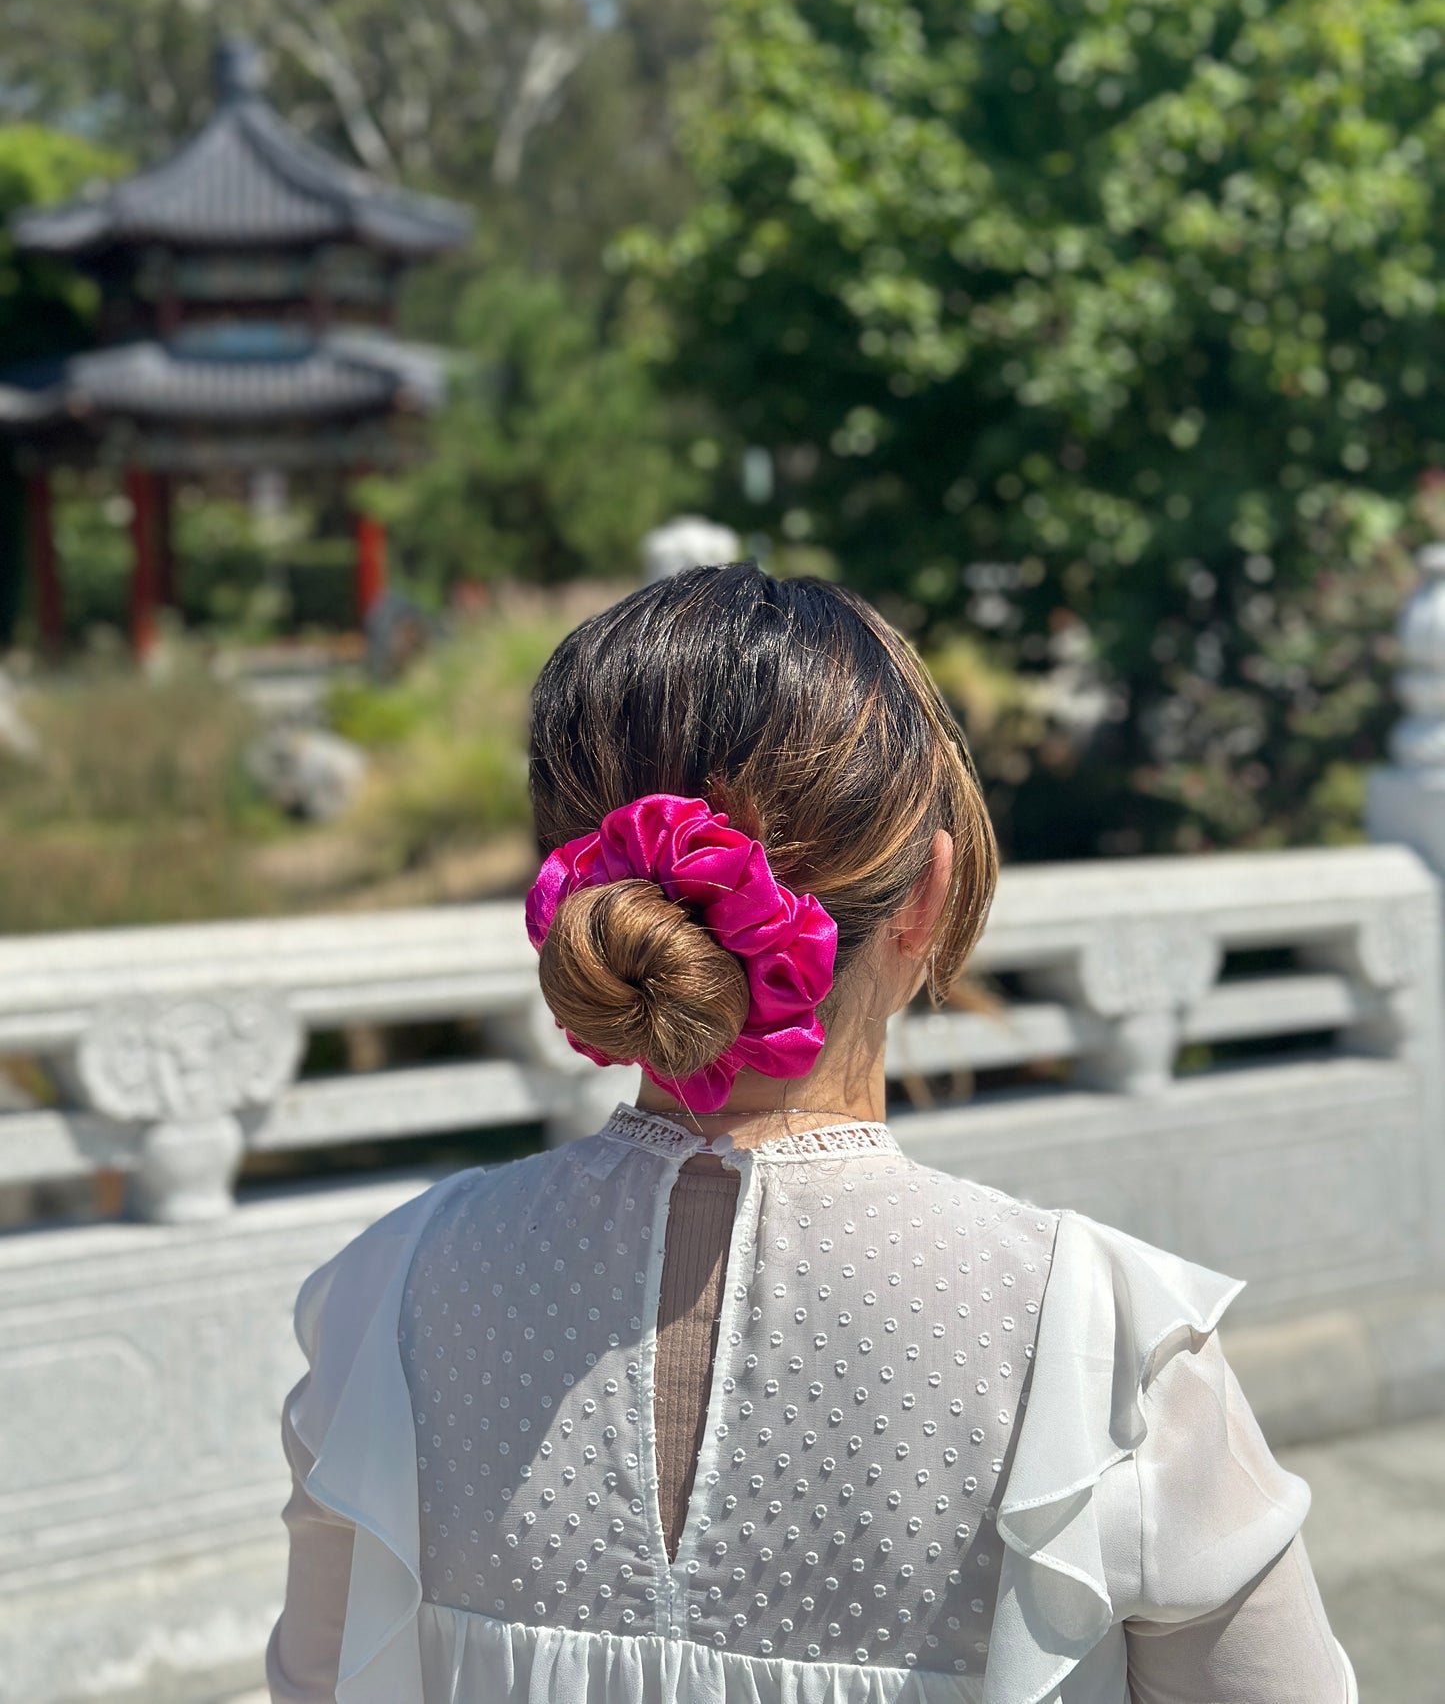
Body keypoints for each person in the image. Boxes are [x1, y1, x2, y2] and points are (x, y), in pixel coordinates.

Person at [267, 565, 1356, 1704]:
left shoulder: (384, 1299)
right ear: (929, 893)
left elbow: (319, 1680)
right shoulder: (1107, 1350)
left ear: (573, 892)